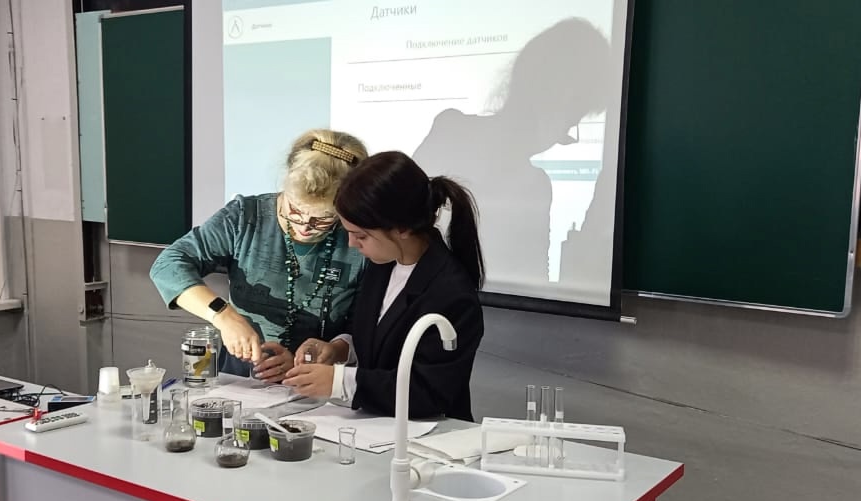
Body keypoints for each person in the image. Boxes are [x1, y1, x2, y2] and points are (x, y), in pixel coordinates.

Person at [149, 129, 368, 382]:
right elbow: (168, 265)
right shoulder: (245, 217)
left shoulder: (359, 239)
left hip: (319, 384)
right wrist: (223, 315)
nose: (305, 226)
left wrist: (334, 351)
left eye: (323, 219)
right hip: (240, 379)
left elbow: (367, 326)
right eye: (294, 210)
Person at [283, 151, 485, 420]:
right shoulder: (384, 262)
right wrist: (339, 349)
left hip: (428, 433)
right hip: (376, 426)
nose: (352, 244)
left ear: (402, 228)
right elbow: (376, 335)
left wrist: (339, 382)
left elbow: (427, 392)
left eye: (361, 236)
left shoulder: (451, 293)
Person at [411, 18, 611, 286]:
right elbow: (398, 218)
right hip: (421, 301)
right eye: (570, 122)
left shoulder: (537, 185)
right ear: (548, 97)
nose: (564, 138)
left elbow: (535, 279)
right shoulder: (451, 131)